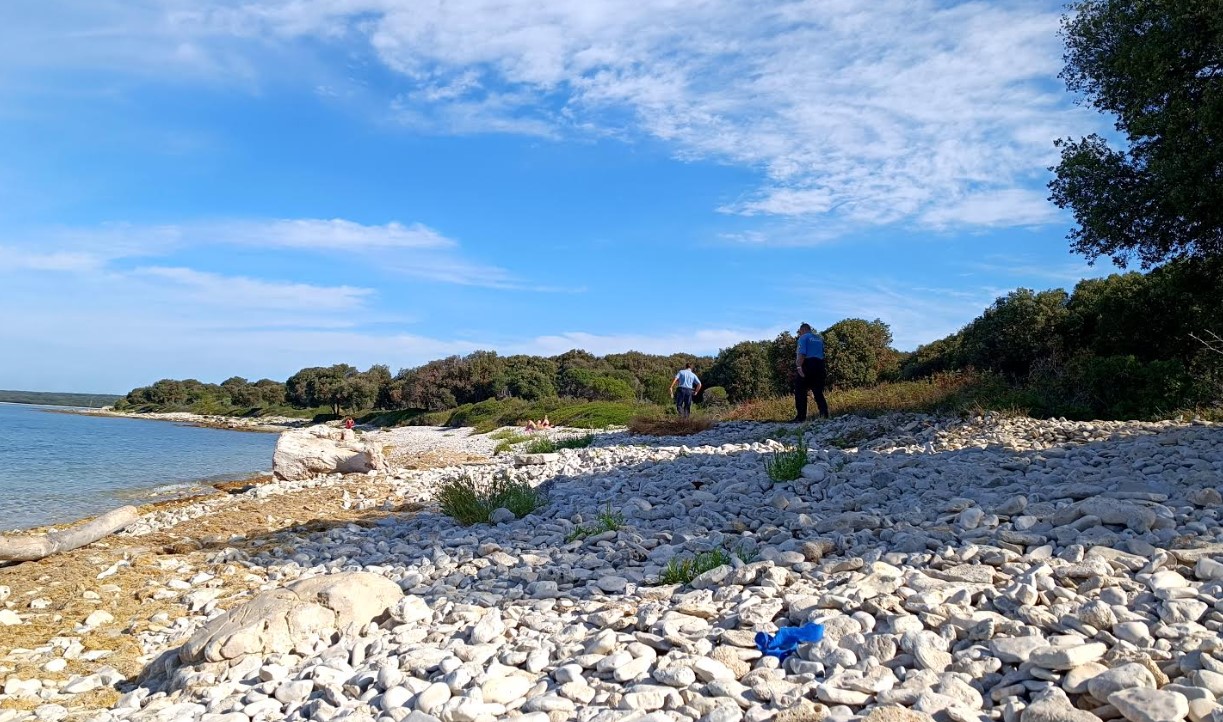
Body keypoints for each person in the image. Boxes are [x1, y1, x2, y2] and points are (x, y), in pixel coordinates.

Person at [793, 322, 830, 421]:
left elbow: (802, 353)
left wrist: (799, 366)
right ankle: (824, 414)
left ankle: (801, 417)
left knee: (800, 390)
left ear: (803, 330)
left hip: (808, 364)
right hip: (820, 364)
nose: (800, 334)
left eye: (800, 332)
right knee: (818, 391)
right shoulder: (819, 339)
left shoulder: (803, 338)